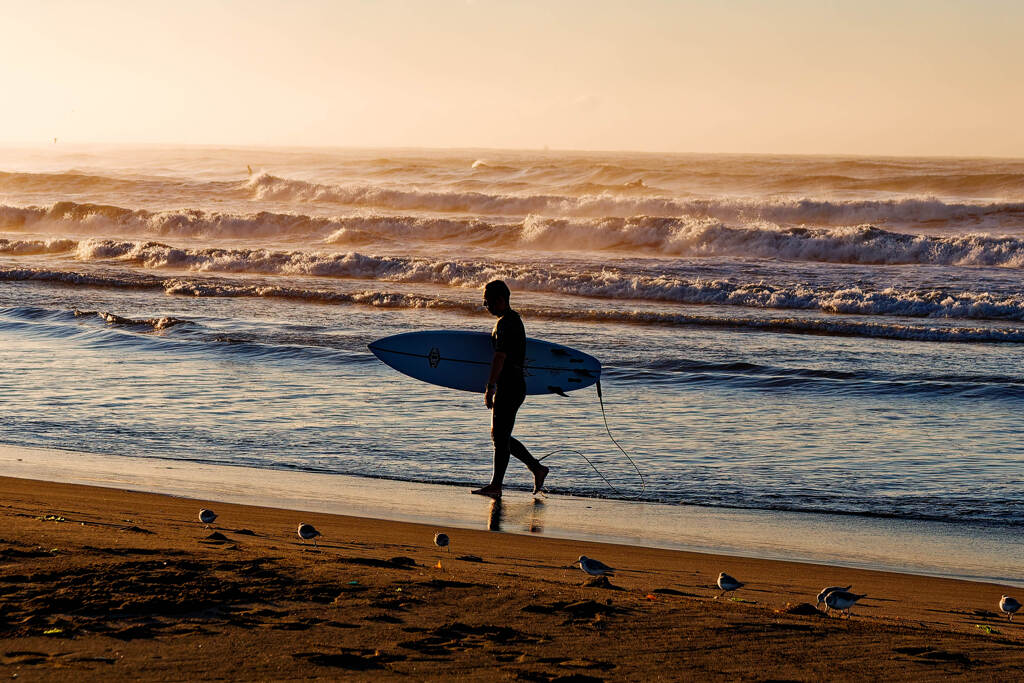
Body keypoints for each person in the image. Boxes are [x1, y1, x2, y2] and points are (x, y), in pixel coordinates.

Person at [471, 280, 549, 498]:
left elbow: (500, 357)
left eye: (487, 302)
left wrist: (490, 386)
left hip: (510, 386)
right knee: (501, 436)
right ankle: (536, 469)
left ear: (500, 300)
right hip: (514, 385)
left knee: (500, 437)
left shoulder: (506, 323)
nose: (485, 306)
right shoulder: (512, 320)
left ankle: (499, 484)